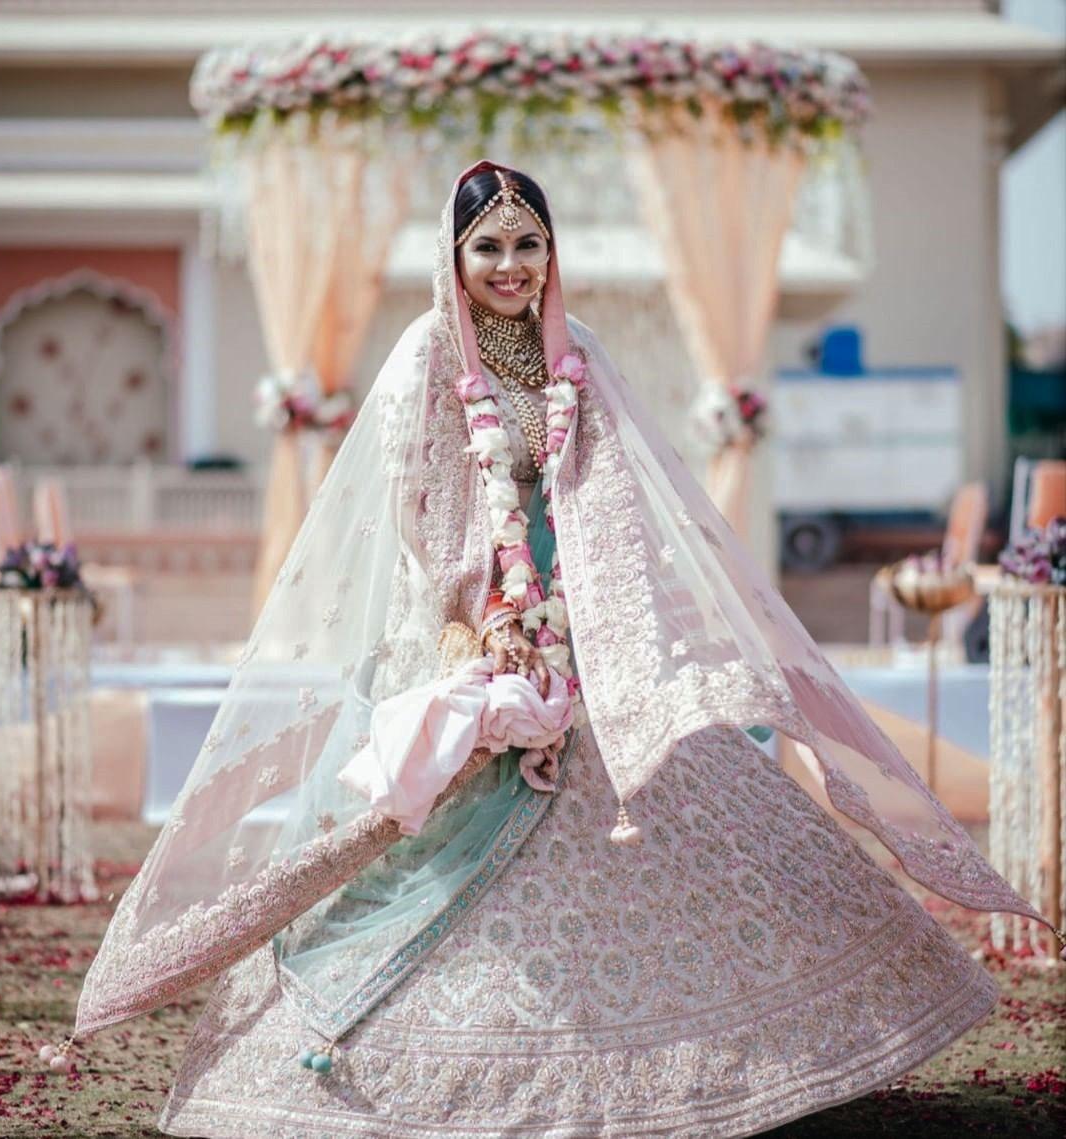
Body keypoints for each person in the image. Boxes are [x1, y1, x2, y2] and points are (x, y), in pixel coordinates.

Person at [68, 160, 1060, 1138]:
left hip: (584, 630)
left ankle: (699, 1061)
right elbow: (412, 505)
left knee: (695, 801)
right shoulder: (427, 353)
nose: (511, 264)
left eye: (528, 243)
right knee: (422, 848)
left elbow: (618, 486)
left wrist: (602, 619)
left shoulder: (571, 347)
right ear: (455, 259)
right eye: (488, 246)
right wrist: (484, 622)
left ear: (553, 251)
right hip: (468, 635)